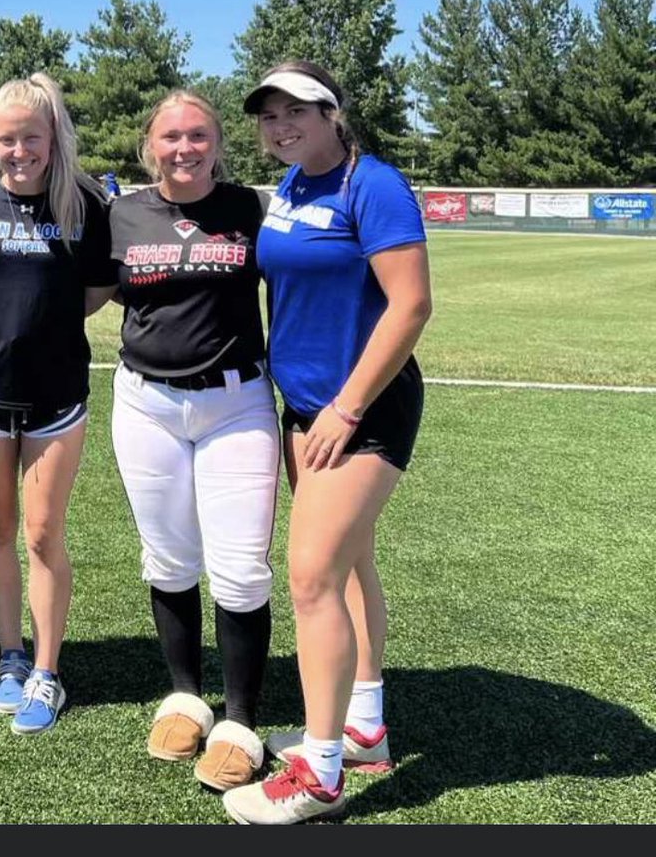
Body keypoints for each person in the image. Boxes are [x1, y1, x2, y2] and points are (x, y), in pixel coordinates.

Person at [222, 61, 432, 826]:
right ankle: (363, 727)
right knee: (347, 568)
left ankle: (318, 773)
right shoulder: (288, 189)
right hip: (305, 409)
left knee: (309, 579)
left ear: (332, 115)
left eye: (296, 111)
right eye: (268, 115)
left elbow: (410, 306)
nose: (280, 125)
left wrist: (345, 408)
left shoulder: (369, 184)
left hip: (362, 412)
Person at [92, 90, 280, 792]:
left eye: (197, 135)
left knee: (238, 568)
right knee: (167, 558)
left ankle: (238, 720)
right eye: (170, 137)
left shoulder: (248, 209)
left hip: (235, 403)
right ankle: (183, 695)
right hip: (145, 403)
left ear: (217, 142)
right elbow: (90, 290)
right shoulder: (123, 213)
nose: (184, 148)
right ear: (150, 145)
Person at [0, 73, 114, 734]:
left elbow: (99, 288)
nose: (17, 151)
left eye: (30, 138)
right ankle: (10, 656)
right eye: (5, 140)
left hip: (56, 395)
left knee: (43, 535)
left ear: (52, 138)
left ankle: (47, 671)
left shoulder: (83, 201)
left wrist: (42, 325)